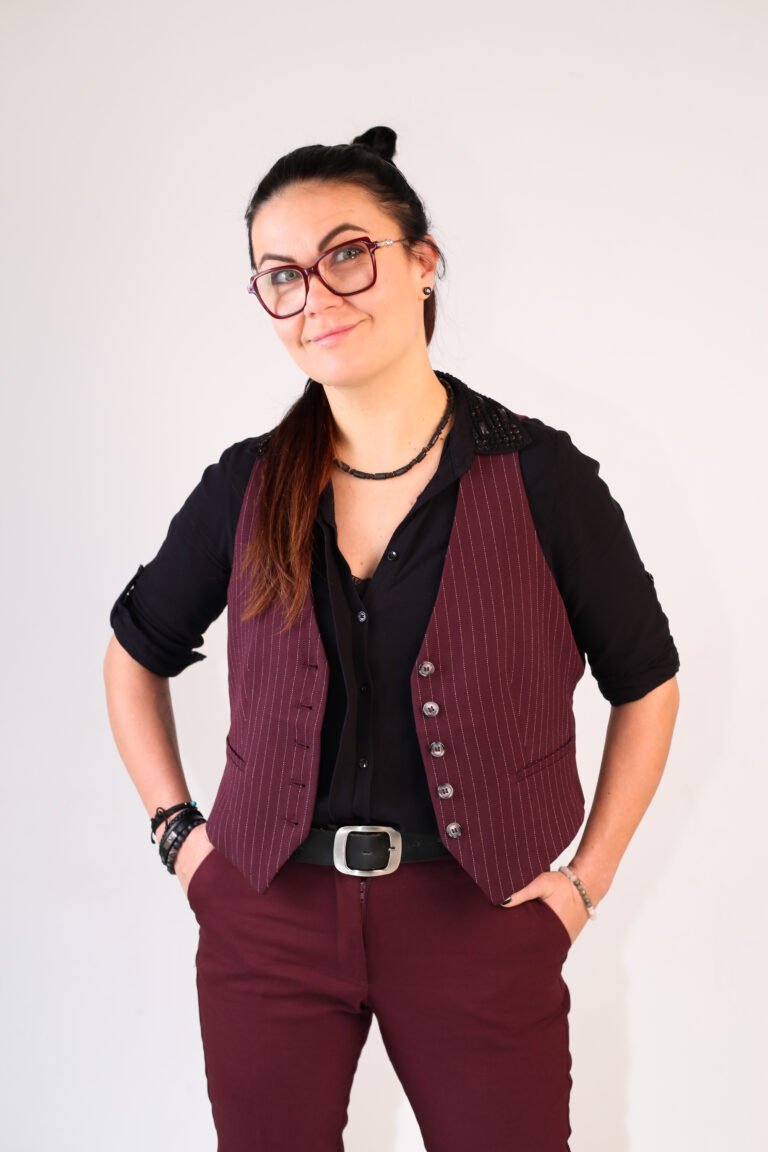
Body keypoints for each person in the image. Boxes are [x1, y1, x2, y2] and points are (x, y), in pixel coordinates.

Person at [103, 125, 680, 1152]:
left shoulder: (543, 478)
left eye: (347, 254)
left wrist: (585, 882)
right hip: (268, 918)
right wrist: (181, 840)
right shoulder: (244, 486)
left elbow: (647, 682)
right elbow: (133, 655)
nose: (315, 296)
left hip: (480, 919)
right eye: (281, 274)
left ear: (422, 262)